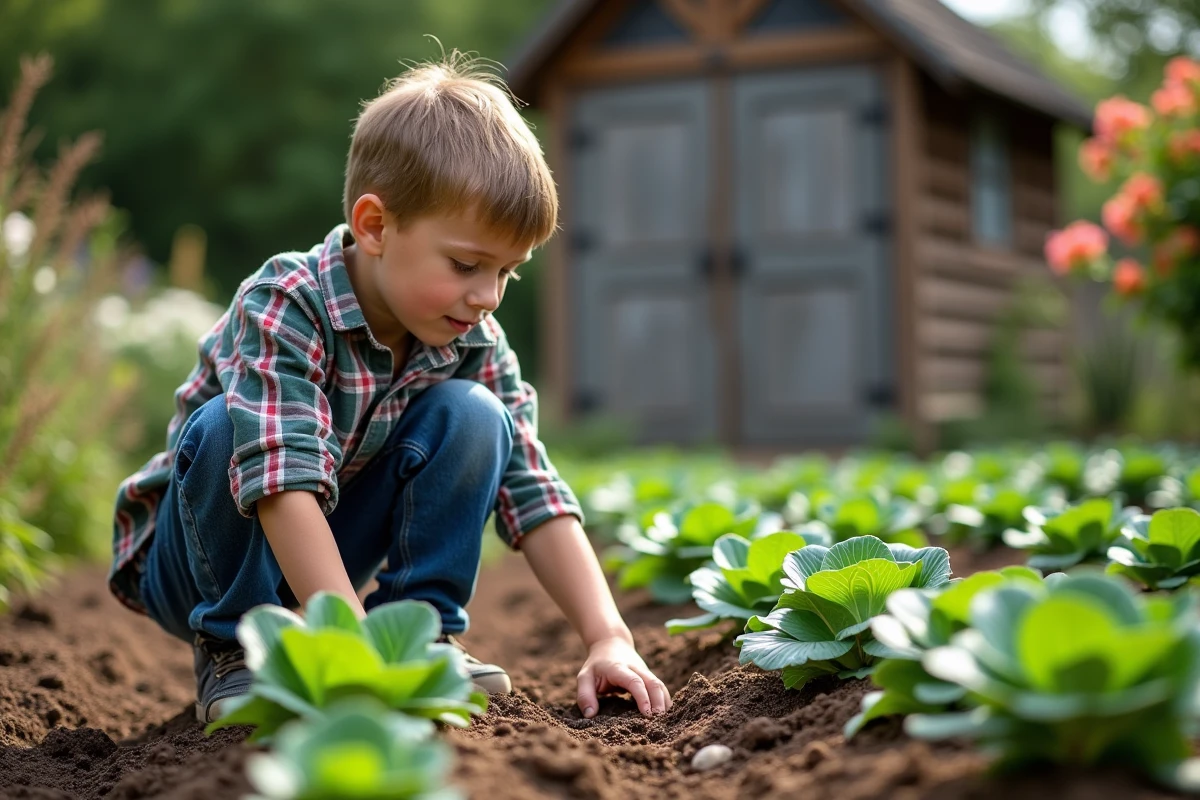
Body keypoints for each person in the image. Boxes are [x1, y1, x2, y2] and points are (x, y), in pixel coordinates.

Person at [107, 54, 672, 725]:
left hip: (326, 542)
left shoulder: (470, 338)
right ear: (375, 226)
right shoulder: (286, 304)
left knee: (478, 415)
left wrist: (609, 636)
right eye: (466, 264)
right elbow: (282, 480)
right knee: (228, 425)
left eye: (507, 273)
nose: (487, 296)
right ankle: (236, 650)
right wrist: (353, 647)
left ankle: (418, 633)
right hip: (201, 556)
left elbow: (532, 490)